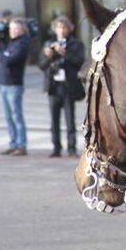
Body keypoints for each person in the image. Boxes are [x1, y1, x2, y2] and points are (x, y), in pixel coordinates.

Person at [39, 16, 85, 157]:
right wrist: (48, 56)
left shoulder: (76, 44)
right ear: (55, 29)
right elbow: (42, 65)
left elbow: (79, 61)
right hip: (53, 86)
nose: (62, 30)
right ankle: (56, 147)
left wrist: (65, 53)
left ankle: (71, 147)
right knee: (54, 119)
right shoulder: (49, 43)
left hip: (68, 85)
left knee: (70, 119)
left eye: (64, 27)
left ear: (69, 29)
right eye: (59, 27)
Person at [0, 17, 30, 156]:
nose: (13, 31)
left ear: (23, 30)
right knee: (8, 117)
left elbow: (7, 60)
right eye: (11, 28)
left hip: (14, 84)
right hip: (3, 83)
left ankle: (21, 145)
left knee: (16, 116)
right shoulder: (10, 42)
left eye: (16, 28)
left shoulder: (22, 43)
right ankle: (13, 143)